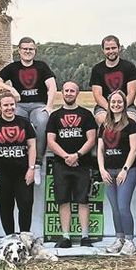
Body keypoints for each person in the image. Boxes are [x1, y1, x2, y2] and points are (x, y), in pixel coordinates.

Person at [0, 37, 57, 174]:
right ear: (19, 51)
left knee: (42, 120)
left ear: (35, 51)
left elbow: (52, 86)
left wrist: (49, 107)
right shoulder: (13, 67)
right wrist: (11, 89)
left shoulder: (41, 66)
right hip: (19, 105)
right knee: (11, 122)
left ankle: (37, 162)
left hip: (39, 105)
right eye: (25, 49)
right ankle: (15, 160)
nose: (28, 51)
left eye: (31, 49)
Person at [46, 82, 98, 248]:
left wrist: (77, 155)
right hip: (61, 164)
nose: (69, 93)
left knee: (83, 200)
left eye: (72, 91)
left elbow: (92, 138)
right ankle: (66, 237)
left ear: (77, 93)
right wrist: (66, 156)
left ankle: (85, 237)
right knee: (63, 201)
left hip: (82, 164)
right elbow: (50, 141)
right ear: (62, 93)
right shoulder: (54, 116)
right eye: (66, 90)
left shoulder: (86, 115)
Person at [0, 94, 37, 234]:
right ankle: (10, 239)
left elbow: (32, 146)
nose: (9, 108)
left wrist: (32, 169)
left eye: (11, 105)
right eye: (5, 105)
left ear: (16, 105)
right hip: (1, 174)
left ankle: (25, 237)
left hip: (23, 174)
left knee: (26, 205)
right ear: (0, 107)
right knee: (6, 207)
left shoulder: (25, 123)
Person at [97, 90, 136, 255]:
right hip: (108, 171)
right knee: (115, 208)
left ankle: (129, 240)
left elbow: (134, 148)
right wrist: (101, 169)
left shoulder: (130, 124)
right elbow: (100, 149)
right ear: (108, 104)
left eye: (119, 102)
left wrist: (125, 170)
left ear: (124, 104)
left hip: (126, 172)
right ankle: (119, 238)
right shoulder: (104, 125)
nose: (116, 105)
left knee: (123, 207)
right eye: (113, 102)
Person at [89, 35, 136, 124]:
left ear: (119, 48)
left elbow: (132, 93)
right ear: (103, 50)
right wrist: (110, 108)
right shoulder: (97, 69)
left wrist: (121, 107)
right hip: (104, 107)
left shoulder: (129, 67)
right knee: (102, 120)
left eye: (113, 48)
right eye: (107, 49)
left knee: (130, 121)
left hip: (127, 106)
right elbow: (98, 95)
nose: (111, 51)